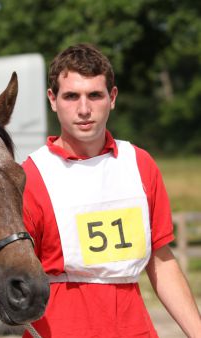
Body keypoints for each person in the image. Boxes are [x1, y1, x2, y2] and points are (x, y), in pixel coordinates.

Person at [22, 43, 201, 338]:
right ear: (52, 100)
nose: (83, 109)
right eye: (71, 96)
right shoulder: (30, 176)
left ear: (112, 97)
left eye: (94, 95)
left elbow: (161, 259)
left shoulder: (140, 164)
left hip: (134, 329)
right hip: (59, 329)